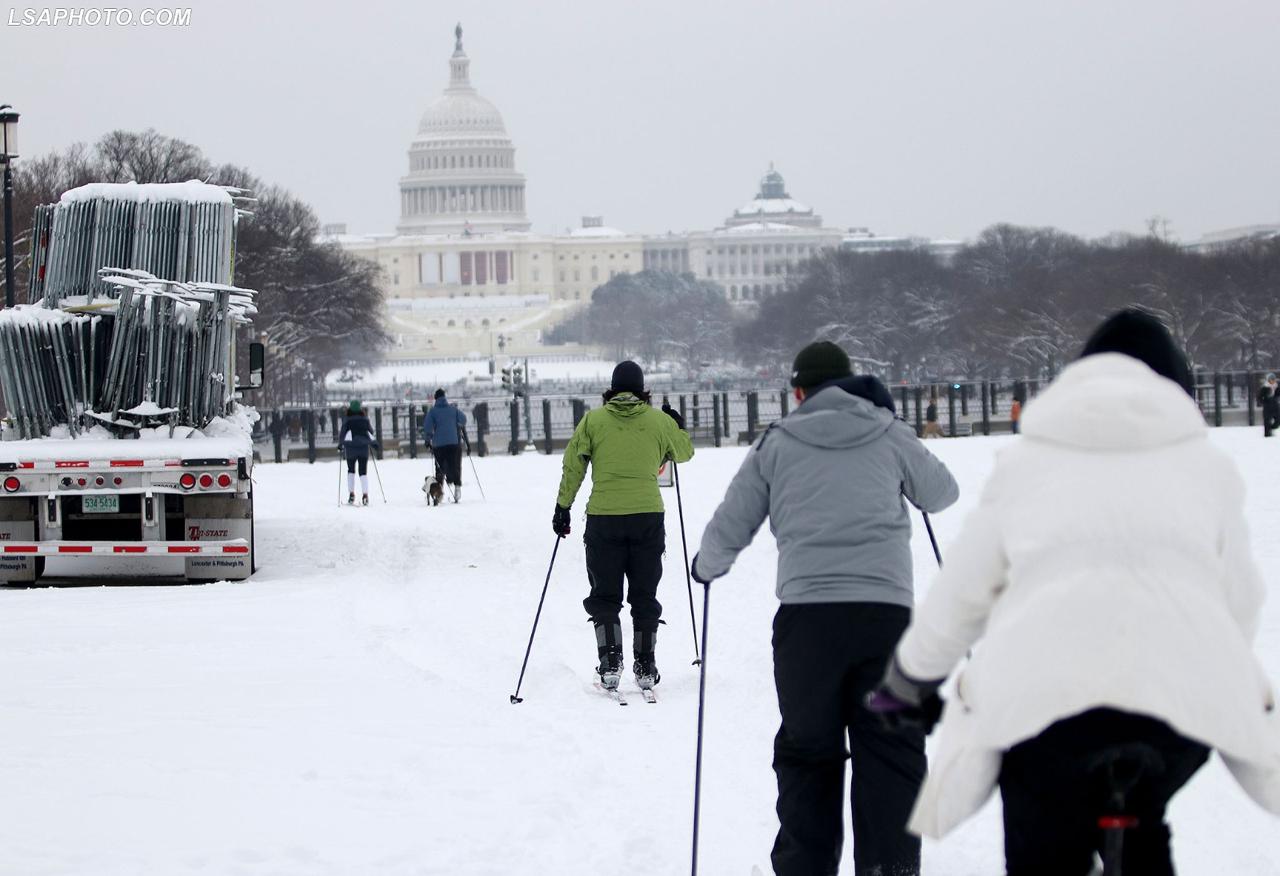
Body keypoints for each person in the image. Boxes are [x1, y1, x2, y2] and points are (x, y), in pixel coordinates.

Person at [869, 309, 1280, 875]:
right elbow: (1239, 601)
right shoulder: (1203, 469)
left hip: (1047, 704)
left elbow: (961, 594)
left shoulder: (1030, 464)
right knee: (1145, 814)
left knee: (1040, 812)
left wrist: (908, 682)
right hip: (1170, 711)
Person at [690, 340, 959, 876]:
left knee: (808, 754)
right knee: (891, 755)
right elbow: (941, 493)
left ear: (798, 392)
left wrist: (706, 566)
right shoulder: (888, 432)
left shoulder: (777, 442)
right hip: (886, 621)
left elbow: (731, 521)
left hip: (808, 624)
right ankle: (891, 867)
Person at [553, 360, 694, 691]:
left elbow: (573, 465)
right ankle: (645, 664)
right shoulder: (658, 422)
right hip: (648, 517)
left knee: (605, 594)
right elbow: (684, 452)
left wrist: (563, 507)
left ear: (612, 389)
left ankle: (610, 660)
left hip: (604, 519)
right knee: (645, 593)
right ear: (643, 389)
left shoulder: (594, 421)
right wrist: (677, 425)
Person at [422, 388, 468, 502]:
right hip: (453, 443)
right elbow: (463, 419)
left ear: (435, 399)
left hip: (439, 445)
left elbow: (427, 427)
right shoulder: (453, 409)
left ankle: (439, 491)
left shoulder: (432, 412)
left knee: (440, 468)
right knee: (455, 466)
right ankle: (457, 488)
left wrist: (428, 440)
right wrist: (455, 424)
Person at [339, 400, 380, 506]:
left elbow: (343, 433)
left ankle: (351, 494)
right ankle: (365, 495)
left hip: (351, 449)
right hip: (363, 449)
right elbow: (370, 431)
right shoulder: (365, 419)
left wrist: (340, 445)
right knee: (363, 472)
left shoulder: (347, 420)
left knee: (351, 471)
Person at [1258, 372, 1279, 437]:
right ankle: (1267, 435)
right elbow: (1259, 397)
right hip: (1267, 407)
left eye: (1273, 379)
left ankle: (1272, 428)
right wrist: (1264, 401)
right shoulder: (1264, 388)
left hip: (1276, 406)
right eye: (1271, 379)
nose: (1272, 381)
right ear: (1268, 380)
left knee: (1278, 420)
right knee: (1267, 421)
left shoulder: (1277, 387)